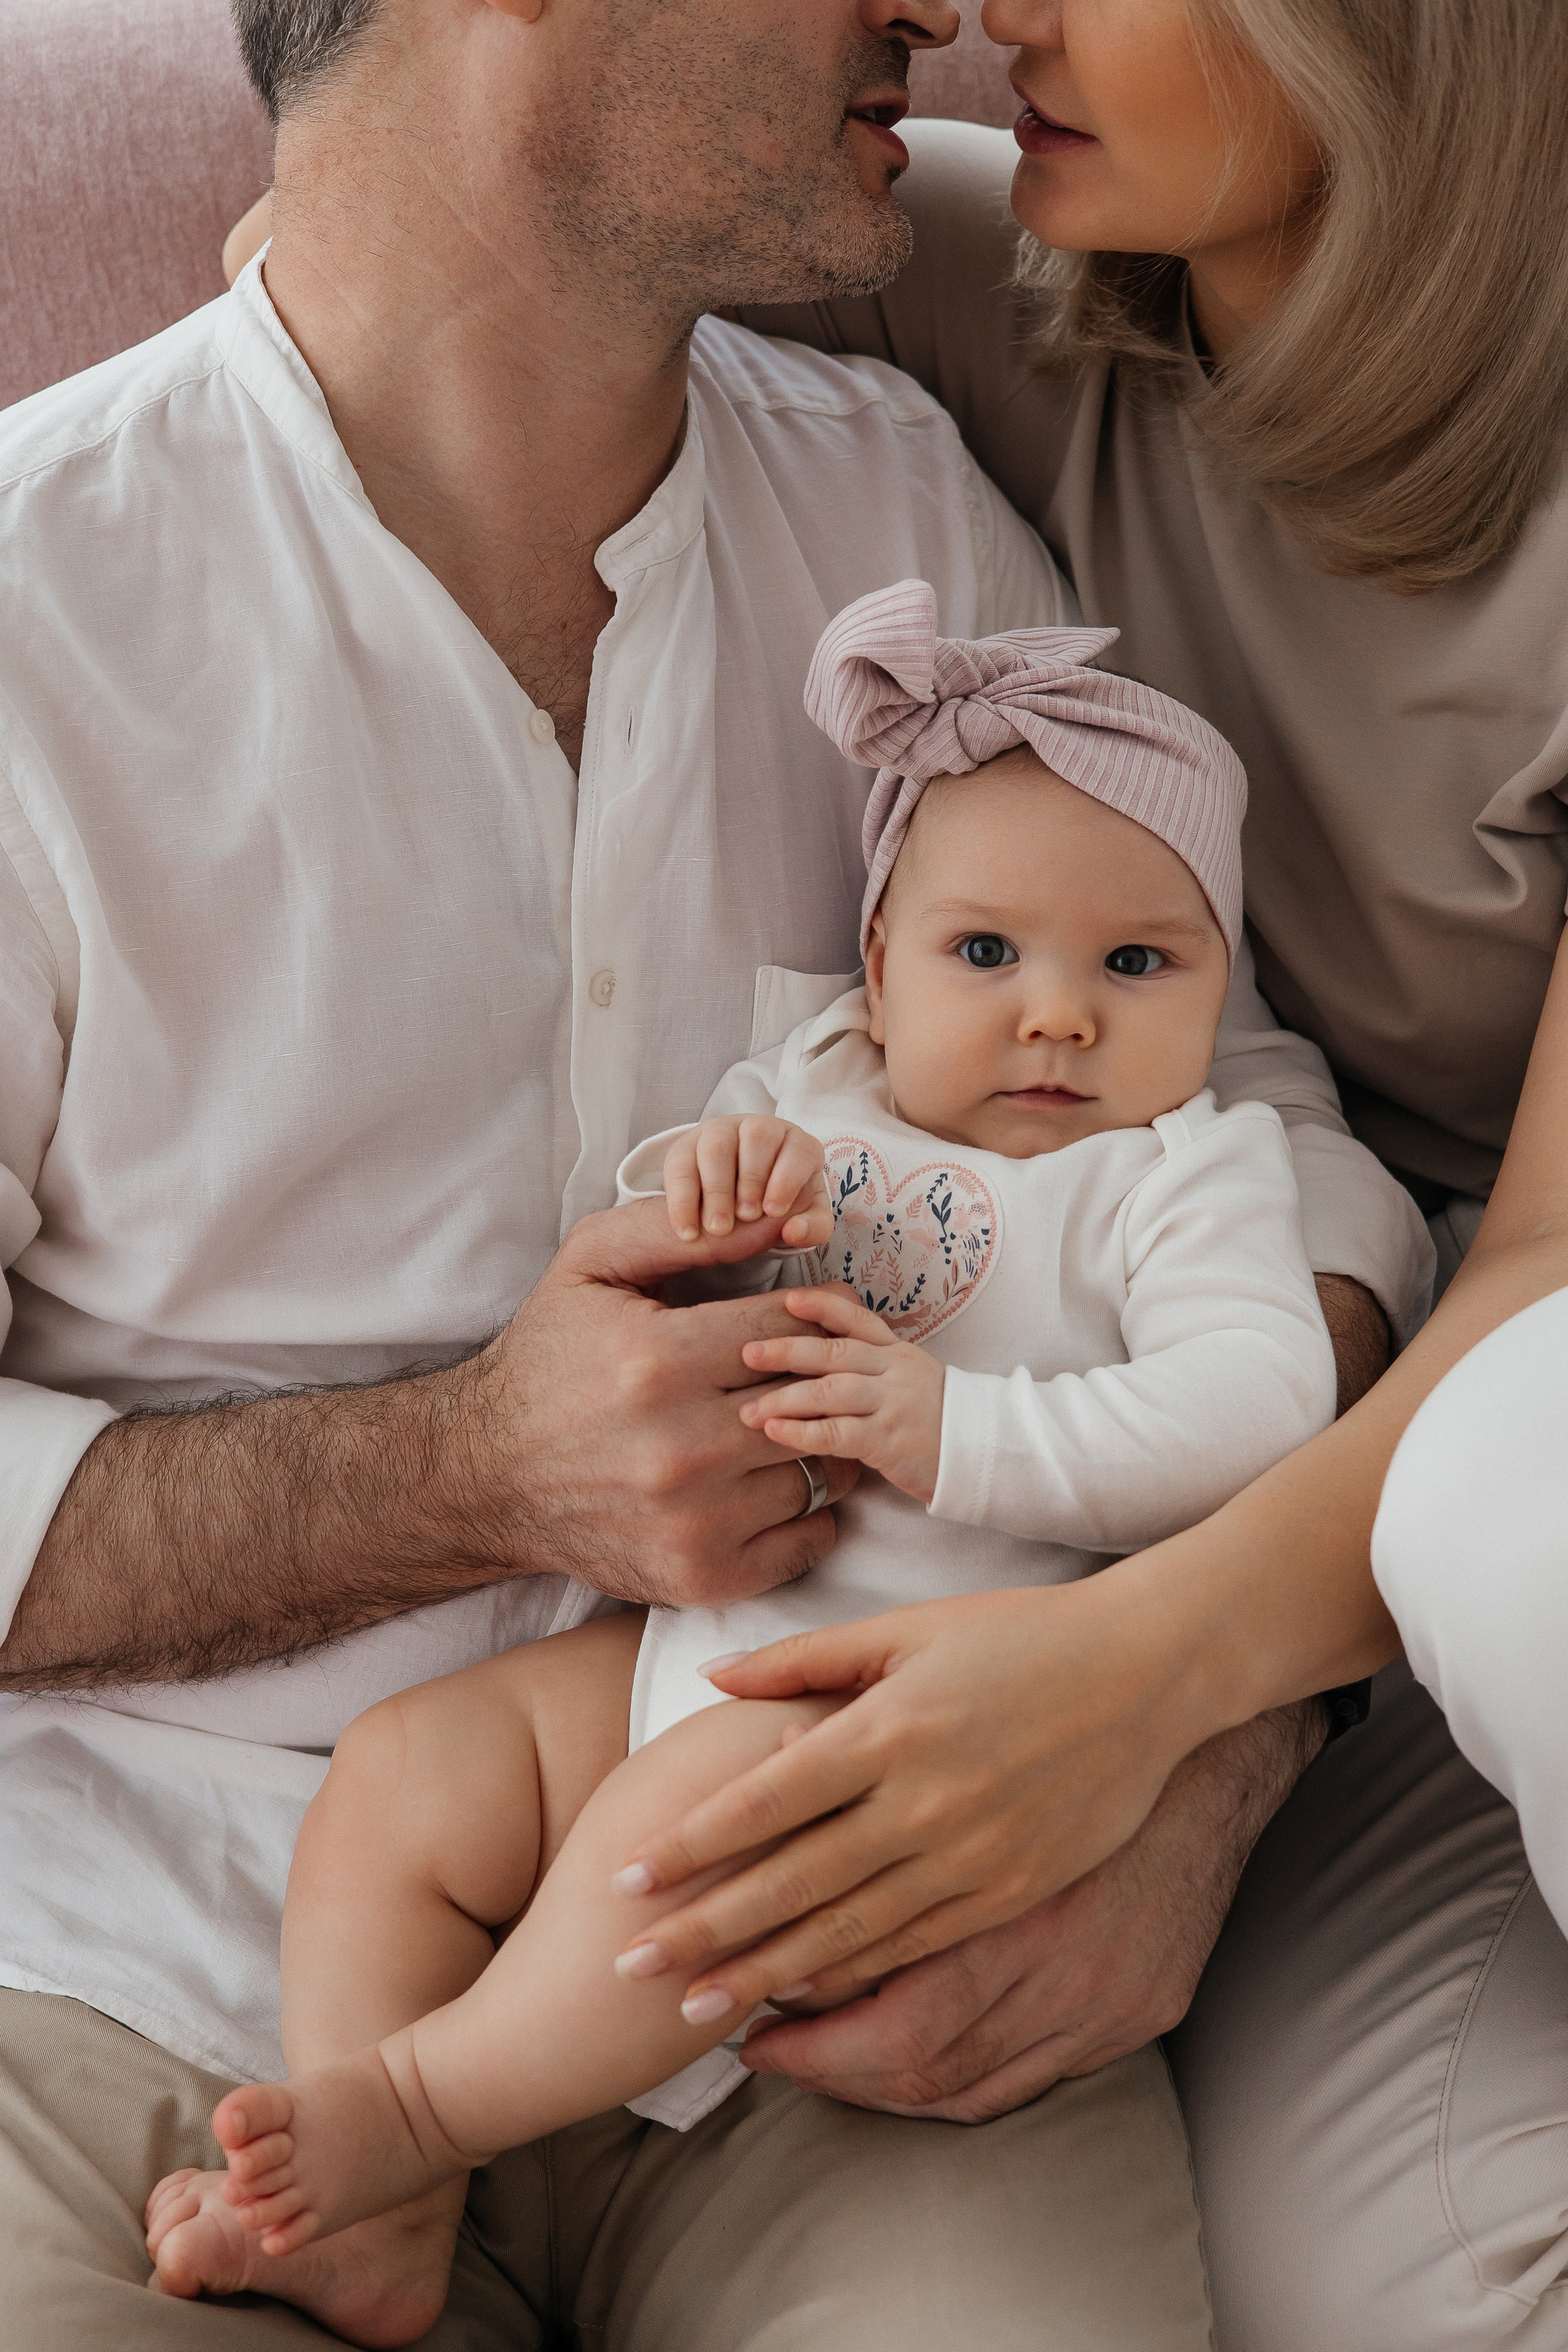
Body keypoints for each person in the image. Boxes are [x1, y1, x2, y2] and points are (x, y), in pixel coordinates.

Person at [0, 0, 1430, 2346]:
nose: (947, 15)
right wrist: (471, 1472)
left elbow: (1264, 1135)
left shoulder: (901, 521)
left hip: (854, 1949)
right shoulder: (42, 610)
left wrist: (1193, 1727)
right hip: (121, 1971)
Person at [584, 1, 1568, 2343]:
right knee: (1402, 2285)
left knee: (1512, 1494)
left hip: (1482, 1427)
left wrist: (1145, 1692)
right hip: (1305, 1472)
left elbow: (1540, 1262)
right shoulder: (982, 263)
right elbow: (415, 253)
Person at [142, 586, 1337, 2339]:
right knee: (409, 1774)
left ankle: (410, 2116)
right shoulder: (818, 1098)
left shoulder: (1179, 1178)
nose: (1059, 1019)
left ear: (1218, 987)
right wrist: (694, 1199)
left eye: (1137, 965)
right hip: (678, 1656)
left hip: (896, 1716)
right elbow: (656, 1246)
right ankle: (381, 2217)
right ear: (878, 968)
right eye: (986, 955)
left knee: (681, 1843)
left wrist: (965, 1434)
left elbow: (1259, 1407)